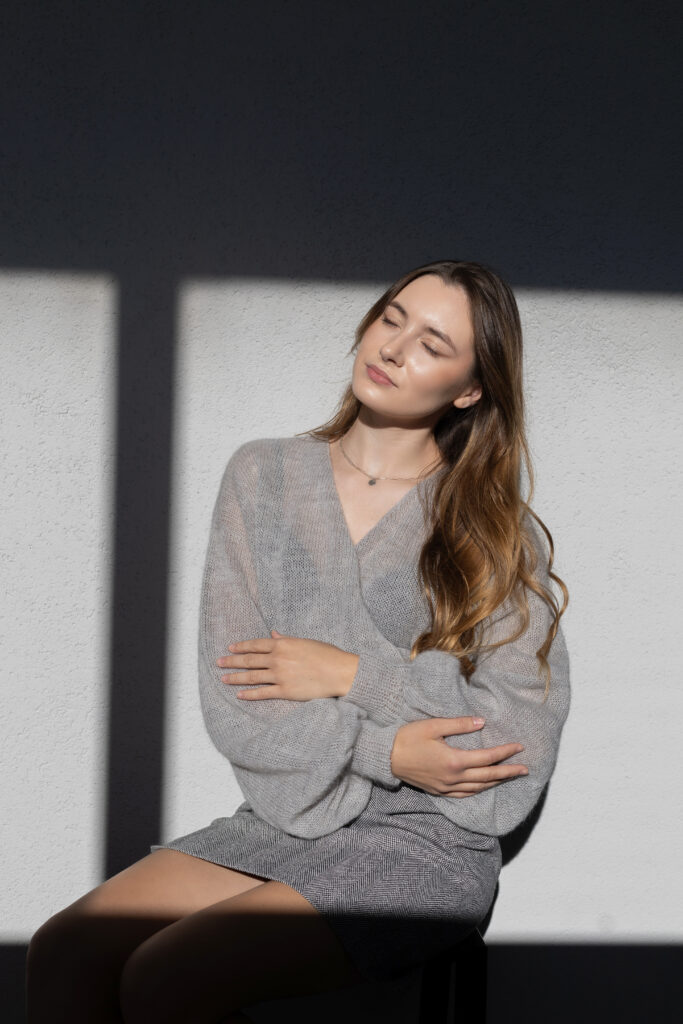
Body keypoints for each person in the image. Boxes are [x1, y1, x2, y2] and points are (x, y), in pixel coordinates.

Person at [26, 259, 571, 1023]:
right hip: (287, 819)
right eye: (391, 318)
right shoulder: (264, 476)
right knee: (64, 950)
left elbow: (514, 736)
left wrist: (352, 674)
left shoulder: (489, 529)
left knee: (168, 975)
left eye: (432, 344)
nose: (393, 347)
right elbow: (238, 697)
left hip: (427, 846)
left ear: (469, 389)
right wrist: (388, 750)